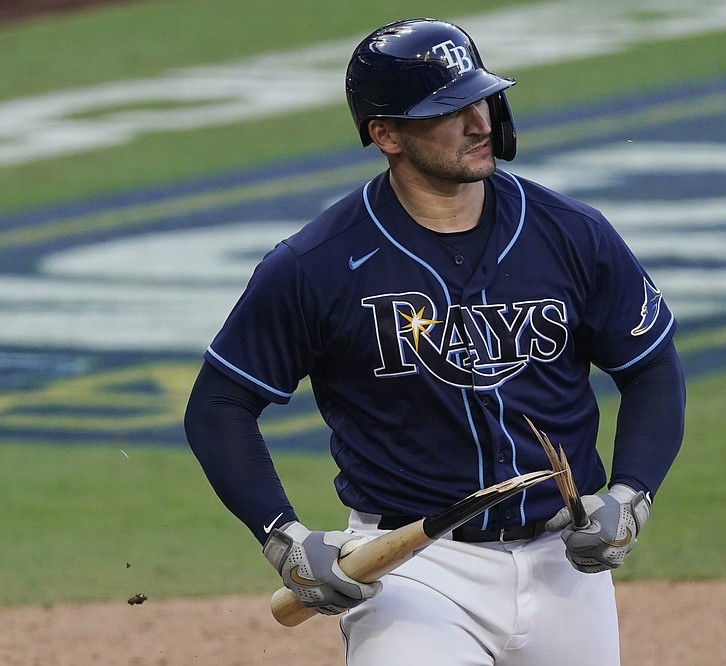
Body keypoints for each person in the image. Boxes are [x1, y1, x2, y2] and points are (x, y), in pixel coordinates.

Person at [184, 17, 685, 666]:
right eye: (448, 110)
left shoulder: (571, 234)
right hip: (412, 572)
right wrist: (284, 537)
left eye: (480, 99)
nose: (479, 123)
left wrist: (630, 495)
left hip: (566, 565)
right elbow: (218, 405)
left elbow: (651, 367)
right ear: (384, 134)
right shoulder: (319, 264)